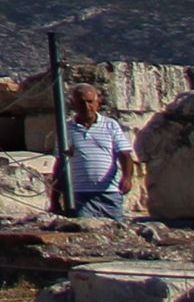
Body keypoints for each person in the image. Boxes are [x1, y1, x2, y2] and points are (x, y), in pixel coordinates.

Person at [57, 83, 137, 220]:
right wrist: (55, 197)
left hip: (109, 192)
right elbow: (60, 163)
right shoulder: (66, 129)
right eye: (81, 103)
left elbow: (124, 153)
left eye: (90, 102)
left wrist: (127, 178)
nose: (87, 106)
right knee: (84, 228)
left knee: (116, 229)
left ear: (97, 103)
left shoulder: (110, 125)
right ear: (74, 104)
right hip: (80, 194)